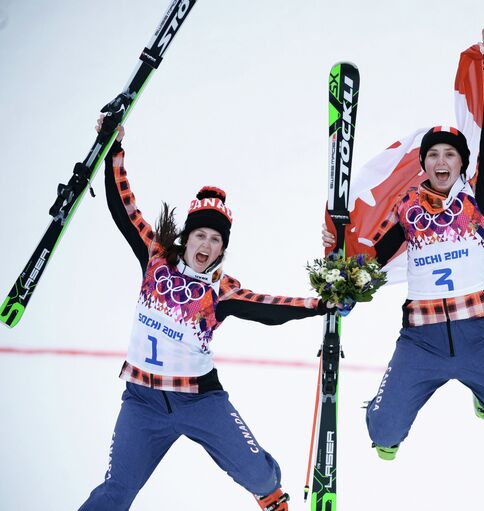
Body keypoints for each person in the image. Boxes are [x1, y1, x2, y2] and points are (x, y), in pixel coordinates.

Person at [79, 117, 331, 511]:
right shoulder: (157, 258)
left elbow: (267, 308)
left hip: (199, 401)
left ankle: (270, 495)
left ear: (221, 249)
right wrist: (113, 149)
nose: (207, 245)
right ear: (186, 237)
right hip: (142, 403)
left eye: (216, 240)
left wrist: (318, 305)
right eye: (200, 235)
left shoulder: (220, 290)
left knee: (262, 475)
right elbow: (124, 209)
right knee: (115, 492)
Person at [323, 28, 484, 461]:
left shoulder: (480, 200)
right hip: (420, 341)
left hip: (479, 337)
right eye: (433, 155)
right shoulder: (409, 208)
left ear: (462, 162)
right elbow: (379, 256)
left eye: (450, 154)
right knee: (383, 434)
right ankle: (392, 412)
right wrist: (350, 286)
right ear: (424, 164)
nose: (441, 161)